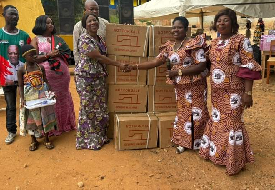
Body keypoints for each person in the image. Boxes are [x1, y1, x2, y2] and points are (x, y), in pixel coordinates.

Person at [126, 16, 210, 153]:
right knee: (183, 113)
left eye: (179, 27)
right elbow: (154, 62)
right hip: (180, 87)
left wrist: (178, 72)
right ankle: (185, 142)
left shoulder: (193, 44)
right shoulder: (169, 47)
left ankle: (202, 141)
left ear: (186, 29)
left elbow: (201, 65)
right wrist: (134, 66)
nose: (176, 30)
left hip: (196, 85)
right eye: (174, 27)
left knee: (198, 112)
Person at [199, 9, 262, 175]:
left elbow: (249, 66)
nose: (221, 23)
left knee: (233, 122)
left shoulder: (241, 41)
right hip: (217, 92)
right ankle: (218, 155)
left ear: (233, 23)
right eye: (219, 21)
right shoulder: (214, 43)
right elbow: (205, 63)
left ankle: (234, 160)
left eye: (225, 20)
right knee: (218, 121)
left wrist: (248, 93)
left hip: (235, 92)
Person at [75, 13, 126, 150]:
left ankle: (100, 137)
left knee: (99, 108)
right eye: (89, 21)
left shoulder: (100, 39)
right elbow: (99, 57)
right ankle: (88, 141)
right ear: (85, 25)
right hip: (85, 78)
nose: (93, 23)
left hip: (99, 77)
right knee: (88, 108)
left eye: (95, 20)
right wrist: (119, 65)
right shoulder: (84, 39)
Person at [0, 5, 31, 145]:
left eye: (16, 15)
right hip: (6, 79)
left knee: (29, 102)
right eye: (12, 14)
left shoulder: (25, 36)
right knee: (11, 106)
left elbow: (30, 56)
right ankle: (11, 131)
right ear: (4, 15)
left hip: (25, 78)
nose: (15, 17)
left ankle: (32, 129)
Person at [31, 15, 76, 136]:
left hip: (62, 75)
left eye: (51, 23)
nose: (51, 25)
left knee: (63, 97)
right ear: (41, 24)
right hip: (46, 76)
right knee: (49, 99)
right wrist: (48, 55)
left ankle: (66, 124)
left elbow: (68, 54)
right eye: (48, 23)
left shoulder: (58, 39)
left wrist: (59, 53)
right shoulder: (35, 40)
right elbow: (33, 59)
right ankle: (51, 127)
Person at [18, 44, 57, 151]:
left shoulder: (41, 67)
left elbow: (46, 80)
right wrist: (22, 99)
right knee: (32, 117)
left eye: (35, 54)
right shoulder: (21, 70)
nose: (34, 57)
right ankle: (33, 140)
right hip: (29, 97)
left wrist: (50, 92)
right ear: (24, 56)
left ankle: (46, 138)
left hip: (42, 94)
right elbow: (20, 85)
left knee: (44, 115)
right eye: (31, 55)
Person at [73, 0, 109, 64]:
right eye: (91, 9)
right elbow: (76, 49)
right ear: (85, 11)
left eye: (97, 9)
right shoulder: (78, 27)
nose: (94, 11)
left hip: (103, 65)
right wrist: (77, 64)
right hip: (86, 67)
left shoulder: (105, 23)